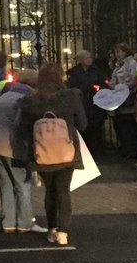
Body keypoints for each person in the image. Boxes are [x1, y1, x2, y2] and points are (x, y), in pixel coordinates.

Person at [19, 64, 88, 245]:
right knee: (63, 190)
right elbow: (82, 124)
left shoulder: (32, 100)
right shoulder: (71, 97)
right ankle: (63, 232)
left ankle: (52, 228)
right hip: (66, 151)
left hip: (42, 152)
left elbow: (23, 129)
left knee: (50, 191)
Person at [0, 69, 37, 233]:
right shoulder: (25, 99)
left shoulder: (5, 95)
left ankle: (8, 221)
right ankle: (24, 222)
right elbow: (22, 125)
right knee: (22, 184)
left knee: (6, 183)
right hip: (15, 146)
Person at [66, 50, 107, 152]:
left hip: (95, 101)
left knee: (96, 124)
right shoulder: (75, 72)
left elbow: (102, 83)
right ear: (80, 60)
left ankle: (96, 146)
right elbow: (72, 86)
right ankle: (84, 146)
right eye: (86, 58)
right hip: (82, 101)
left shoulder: (96, 71)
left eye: (90, 57)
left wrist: (97, 88)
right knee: (83, 123)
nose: (89, 60)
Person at [110, 42, 137, 159]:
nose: (117, 54)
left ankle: (131, 149)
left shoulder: (132, 64)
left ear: (125, 52)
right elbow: (113, 79)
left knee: (128, 126)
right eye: (116, 52)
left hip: (128, 99)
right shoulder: (118, 65)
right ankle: (125, 148)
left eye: (119, 51)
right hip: (119, 99)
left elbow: (133, 80)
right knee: (120, 125)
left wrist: (123, 87)